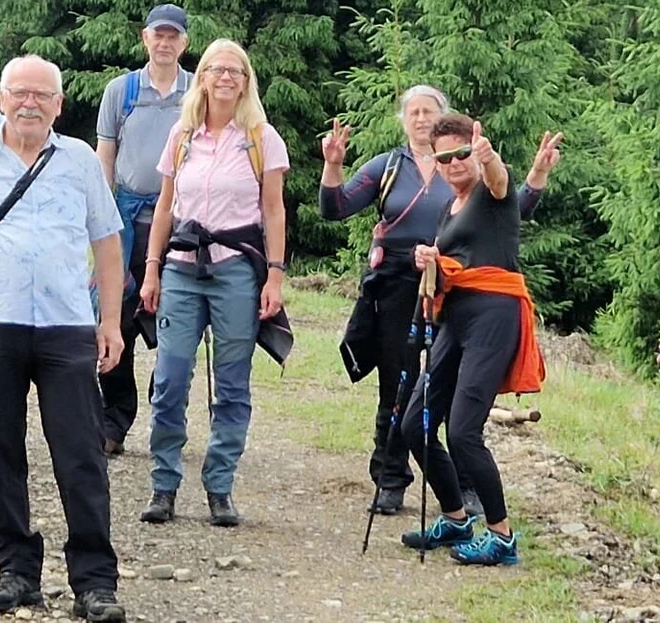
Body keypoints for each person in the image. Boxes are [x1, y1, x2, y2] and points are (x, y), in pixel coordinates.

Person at [0, 55, 128, 622]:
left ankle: (94, 580)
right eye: (19, 93)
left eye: (42, 95)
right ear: (3, 97)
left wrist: (109, 321)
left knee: (81, 453)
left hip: (66, 324)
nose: (29, 103)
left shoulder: (81, 161)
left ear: (59, 105)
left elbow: (108, 246)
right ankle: (15, 569)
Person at [319, 87, 559, 516]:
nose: (421, 117)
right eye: (413, 111)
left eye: (429, 111)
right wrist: (333, 165)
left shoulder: (476, 177)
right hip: (403, 285)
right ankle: (392, 481)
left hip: (466, 296)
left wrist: (513, 168)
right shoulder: (393, 168)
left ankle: (468, 493)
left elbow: (509, 202)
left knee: (457, 404)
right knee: (399, 389)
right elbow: (335, 207)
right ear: (403, 119)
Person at [136, 39, 288, 528]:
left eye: (235, 71)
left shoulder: (262, 138)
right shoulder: (182, 137)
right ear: (201, 77)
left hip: (236, 270)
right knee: (171, 377)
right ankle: (164, 483)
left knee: (231, 383)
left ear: (246, 82)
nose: (226, 77)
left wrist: (275, 276)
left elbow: (273, 209)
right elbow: (164, 206)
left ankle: (220, 487)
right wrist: (152, 267)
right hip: (181, 267)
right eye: (217, 69)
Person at [397, 113, 553, 567]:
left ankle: (502, 538)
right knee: (414, 425)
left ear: (474, 149)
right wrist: (428, 257)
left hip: (493, 317)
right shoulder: (450, 208)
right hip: (455, 320)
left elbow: (503, 180)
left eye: (460, 153)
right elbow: (452, 263)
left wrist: (489, 159)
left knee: (464, 431)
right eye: (443, 157)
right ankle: (455, 517)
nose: (452, 163)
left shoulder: (491, 195)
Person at [93, 3, 193, 457]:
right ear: (145, 38)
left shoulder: (198, 92)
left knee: (180, 321)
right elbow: (105, 157)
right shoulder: (122, 91)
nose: (166, 42)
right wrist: (100, 218)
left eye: (174, 36)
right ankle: (113, 419)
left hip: (184, 222)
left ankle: (165, 410)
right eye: (159, 34)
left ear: (184, 43)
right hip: (128, 220)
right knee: (115, 315)